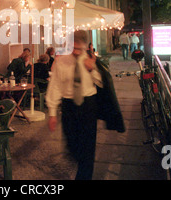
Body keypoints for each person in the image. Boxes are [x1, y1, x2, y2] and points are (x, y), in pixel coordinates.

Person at [46, 30, 125, 180]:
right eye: (73, 48)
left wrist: (92, 70)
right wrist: (52, 113)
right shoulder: (61, 60)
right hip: (69, 105)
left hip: (88, 105)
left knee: (88, 147)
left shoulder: (90, 59)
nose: (76, 52)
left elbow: (102, 84)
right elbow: (55, 86)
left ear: (85, 46)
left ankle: (84, 175)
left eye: (79, 49)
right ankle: (79, 158)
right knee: (71, 145)